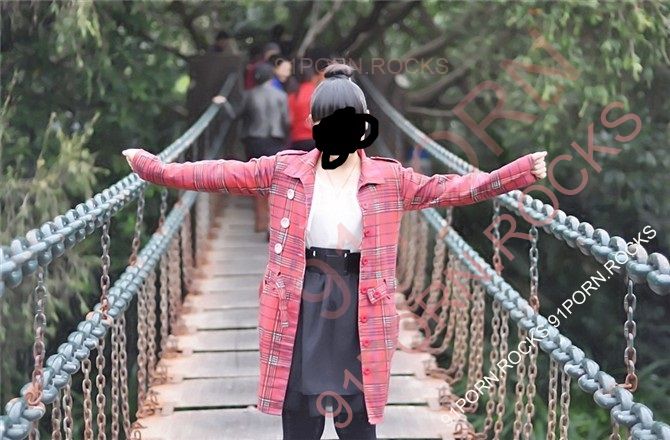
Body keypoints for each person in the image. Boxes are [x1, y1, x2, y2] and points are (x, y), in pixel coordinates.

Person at [122, 63, 547, 440]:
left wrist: (517, 173)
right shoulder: (284, 169)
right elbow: (218, 174)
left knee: (357, 423)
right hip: (300, 302)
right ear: (312, 123)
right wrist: (152, 168)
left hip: (360, 306)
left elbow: (454, 189)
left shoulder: (390, 179)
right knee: (299, 419)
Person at [287, 56, 328, 152]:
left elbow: (289, 120)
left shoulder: (292, 96)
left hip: (297, 140)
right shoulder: (319, 93)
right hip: (316, 138)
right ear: (312, 76)